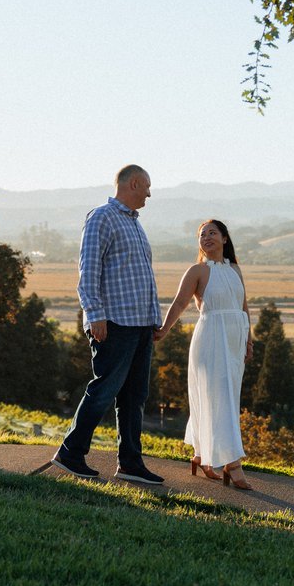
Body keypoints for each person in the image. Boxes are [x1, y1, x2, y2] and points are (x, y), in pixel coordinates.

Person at [51, 165, 164, 485]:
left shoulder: (135, 224)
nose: (149, 194)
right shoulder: (101, 216)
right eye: (147, 187)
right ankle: (70, 453)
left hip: (140, 323)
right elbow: (88, 270)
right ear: (134, 183)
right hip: (114, 322)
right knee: (104, 390)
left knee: (135, 396)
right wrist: (94, 314)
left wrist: (153, 319)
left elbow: (138, 276)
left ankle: (129, 463)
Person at [155, 219, 253, 489]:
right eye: (202, 235)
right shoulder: (196, 271)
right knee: (217, 397)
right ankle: (232, 463)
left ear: (224, 238)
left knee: (228, 397)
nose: (207, 237)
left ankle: (201, 455)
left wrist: (249, 339)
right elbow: (179, 303)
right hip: (210, 338)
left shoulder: (235, 269)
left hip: (234, 340)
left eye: (212, 233)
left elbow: (243, 306)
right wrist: (163, 330)